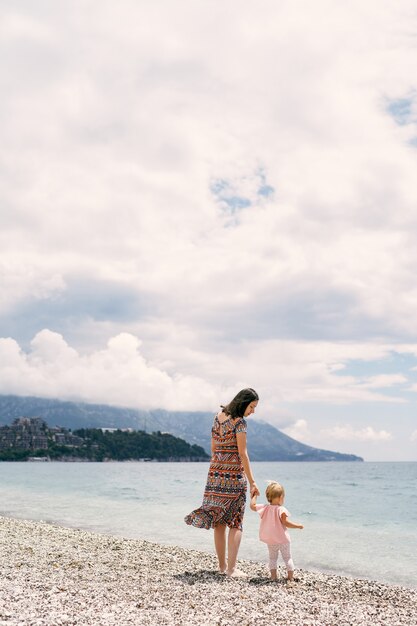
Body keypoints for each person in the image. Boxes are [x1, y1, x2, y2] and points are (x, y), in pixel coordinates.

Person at [184, 388, 260, 578]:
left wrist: (219, 465)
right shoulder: (240, 423)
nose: (253, 411)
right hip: (233, 476)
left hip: (215, 474)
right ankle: (232, 570)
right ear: (244, 403)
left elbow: (213, 448)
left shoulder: (217, 418)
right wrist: (252, 482)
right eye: (252, 407)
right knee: (235, 521)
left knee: (219, 521)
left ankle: (221, 566)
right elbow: (243, 454)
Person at [250, 481, 303, 585]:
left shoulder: (265, 508)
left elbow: (252, 506)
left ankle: (273, 577)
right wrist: (298, 526)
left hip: (271, 541)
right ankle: (290, 577)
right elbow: (286, 523)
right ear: (280, 497)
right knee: (287, 558)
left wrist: (254, 496)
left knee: (272, 558)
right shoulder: (281, 509)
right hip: (283, 540)